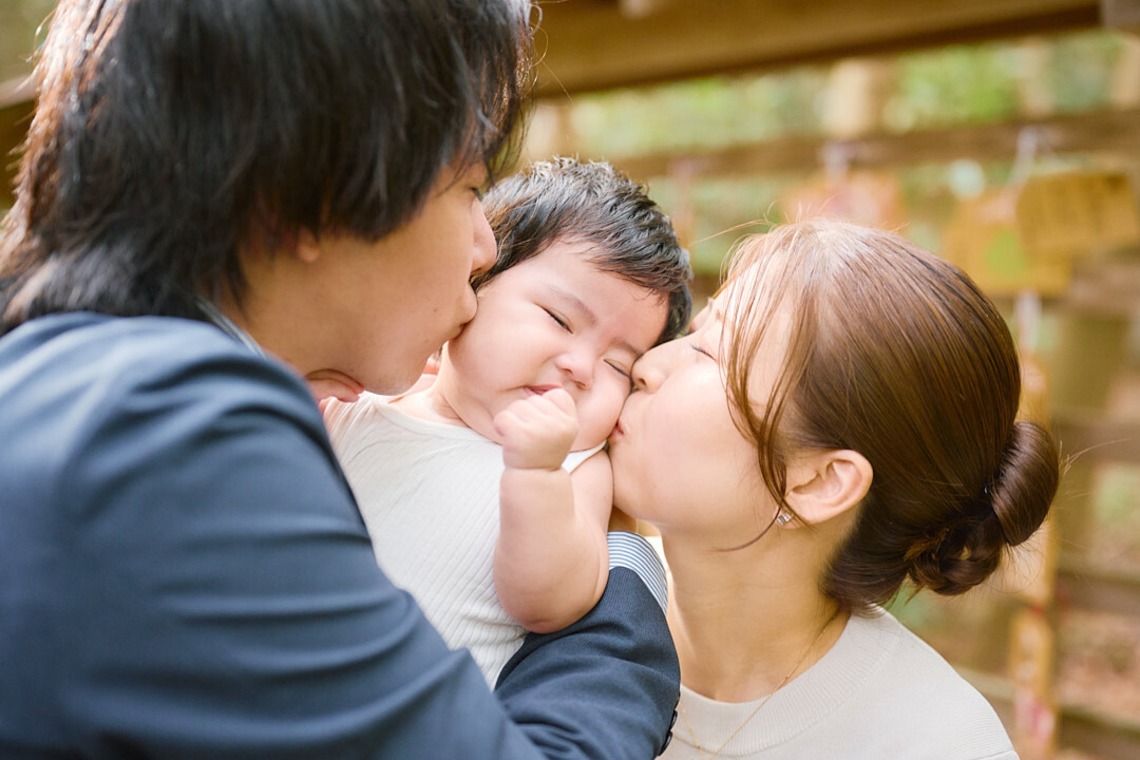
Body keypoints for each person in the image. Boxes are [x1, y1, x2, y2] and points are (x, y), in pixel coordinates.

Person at [0, 1, 680, 757]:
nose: (486, 245)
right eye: (468, 189)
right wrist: (628, 577)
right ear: (316, 190)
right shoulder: (173, 438)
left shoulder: (67, 382)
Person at [607, 219, 1062, 759]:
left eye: (709, 355)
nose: (647, 364)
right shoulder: (540, 594)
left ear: (820, 482)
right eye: (691, 335)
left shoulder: (939, 742)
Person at [324, 157, 692, 683]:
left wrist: (535, 477)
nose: (582, 368)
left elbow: (551, 601)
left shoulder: (574, 466)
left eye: (618, 365)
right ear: (473, 285)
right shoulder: (359, 402)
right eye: (559, 319)